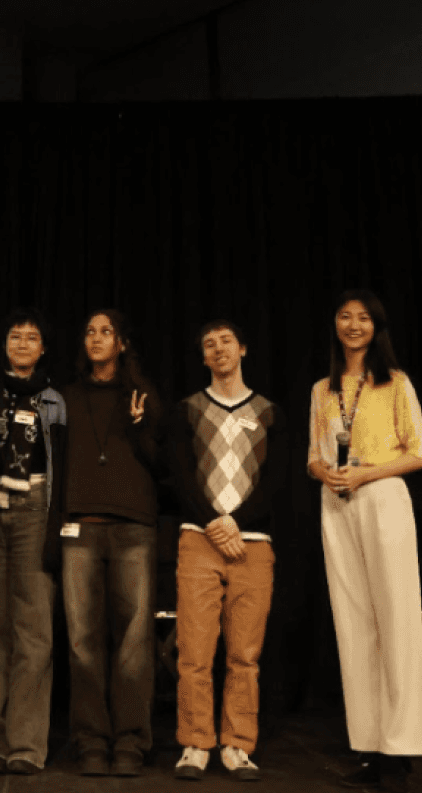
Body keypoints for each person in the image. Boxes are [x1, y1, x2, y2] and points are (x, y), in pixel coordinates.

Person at [306, 291, 422, 793]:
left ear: (376, 327)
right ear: (335, 325)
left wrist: (366, 474)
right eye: (345, 316)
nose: (353, 325)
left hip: (382, 496)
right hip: (336, 502)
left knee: (395, 621)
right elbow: (313, 455)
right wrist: (325, 473)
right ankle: (370, 747)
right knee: (353, 624)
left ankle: (401, 752)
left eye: (363, 318)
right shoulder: (323, 389)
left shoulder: (395, 382)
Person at [168, 321, 288, 782]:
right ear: (203, 357)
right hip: (199, 538)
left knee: (244, 655)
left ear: (243, 349)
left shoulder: (269, 411)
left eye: (226, 342)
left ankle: (237, 744)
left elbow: (276, 481)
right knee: (194, 652)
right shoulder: (187, 410)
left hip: (252, 543)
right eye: (209, 344)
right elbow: (181, 476)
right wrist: (215, 522)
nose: (218, 349)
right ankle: (196, 743)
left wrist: (237, 522)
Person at [54, 308, 166, 777]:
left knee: (134, 640)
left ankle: (132, 741)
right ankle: (91, 740)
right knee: (82, 642)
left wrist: (139, 426)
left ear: (121, 343)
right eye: (90, 332)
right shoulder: (65, 397)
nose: (96, 338)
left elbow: (162, 465)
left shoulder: (142, 395)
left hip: (133, 527)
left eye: (106, 332)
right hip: (80, 526)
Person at [0, 309, 66, 775]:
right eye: (15, 336)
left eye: (32, 337)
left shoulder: (54, 399)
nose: (23, 343)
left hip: (34, 507)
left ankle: (25, 745)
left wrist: (56, 526)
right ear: (4, 344)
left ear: (43, 348)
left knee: (33, 631)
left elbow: (63, 466)